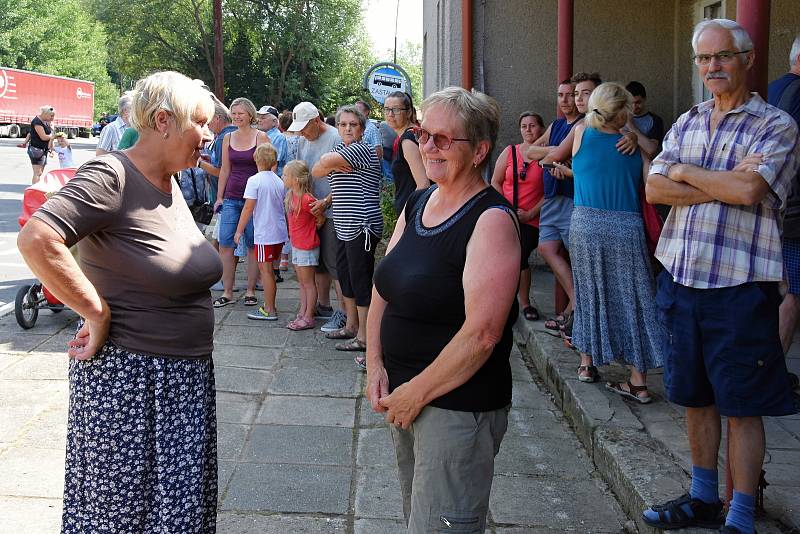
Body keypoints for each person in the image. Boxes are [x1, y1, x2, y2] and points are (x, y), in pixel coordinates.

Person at [17, 70, 220, 533]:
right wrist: (94, 309)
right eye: (201, 123)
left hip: (180, 381)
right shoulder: (112, 174)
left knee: (176, 516)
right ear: (164, 120)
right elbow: (37, 239)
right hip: (131, 384)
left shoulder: (169, 181)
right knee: (121, 517)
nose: (209, 136)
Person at [642, 19, 799, 534]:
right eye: (704, 59)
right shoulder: (687, 121)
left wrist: (686, 172)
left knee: (742, 404)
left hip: (740, 285)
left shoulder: (775, 126)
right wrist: (717, 182)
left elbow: (752, 192)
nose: (713, 67)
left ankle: (740, 514)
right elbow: (655, 190)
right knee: (694, 395)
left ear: (747, 59)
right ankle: (703, 496)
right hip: (682, 278)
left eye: (723, 56)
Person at [366, 86, 520, 533]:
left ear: (479, 152)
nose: (427, 147)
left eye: (443, 139)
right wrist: (375, 364)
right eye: (423, 134)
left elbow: (483, 334)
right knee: (419, 519)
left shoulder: (490, 220)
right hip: (403, 395)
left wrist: (416, 393)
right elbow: (384, 287)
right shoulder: (418, 202)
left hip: (455, 407)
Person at [567, 82, 664, 394]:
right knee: (635, 298)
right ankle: (638, 382)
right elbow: (653, 178)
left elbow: (551, 155)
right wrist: (633, 132)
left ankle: (587, 363)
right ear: (622, 110)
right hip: (627, 227)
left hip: (586, 224)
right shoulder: (634, 145)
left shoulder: (582, 131)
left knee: (589, 292)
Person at [312, 105, 383, 360]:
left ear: (362, 129)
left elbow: (324, 164)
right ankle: (351, 326)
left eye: (353, 124)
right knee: (346, 278)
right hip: (343, 225)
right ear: (338, 127)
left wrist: (328, 163)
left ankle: (365, 337)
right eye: (343, 124)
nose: (348, 128)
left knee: (361, 281)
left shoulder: (361, 150)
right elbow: (317, 170)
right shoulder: (341, 150)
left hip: (361, 225)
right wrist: (328, 163)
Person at [289, 101, 345, 332]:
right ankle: (323, 305)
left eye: (304, 127)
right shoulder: (304, 140)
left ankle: (343, 313)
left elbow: (344, 179)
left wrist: (325, 202)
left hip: (332, 210)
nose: (301, 132)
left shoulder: (335, 138)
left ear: (316, 121)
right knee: (318, 264)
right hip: (312, 212)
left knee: (335, 265)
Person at [213, 97, 269, 308]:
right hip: (231, 197)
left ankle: (250, 290)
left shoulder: (261, 137)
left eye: (240, 113)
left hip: (254, 199)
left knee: (253, 245)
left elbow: (269, 168)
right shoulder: (228, 138)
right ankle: (227, 291)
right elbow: (225, 170)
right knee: (226, 244)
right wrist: (220, 197)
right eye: (234, 113)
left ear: (250, 115)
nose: (237, 117)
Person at [491, 111, 546, 321]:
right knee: (502, 257)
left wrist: (531, 212)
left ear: (541, 129)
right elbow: (495, 182)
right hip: (508, 216)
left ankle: (524, 303)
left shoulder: (547, 155)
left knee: (520, 254)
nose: (528, 130)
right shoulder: (510, 152)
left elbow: (551, 192)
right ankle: (500, 300)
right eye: (524, 126)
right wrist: (505, 207)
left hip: (532, 219)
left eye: (533, 125)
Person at [234, 143, 288, 321]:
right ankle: (269, 305)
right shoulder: (278, 180)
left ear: (255, 158)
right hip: (279, 233)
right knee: (271, 271)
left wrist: (239, 230)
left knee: (266, 273)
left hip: (265, 233)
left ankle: (269, 308)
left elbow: (248, 208)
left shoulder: (254, 180)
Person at [770, 34, 800, 356]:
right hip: (792, 209)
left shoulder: (774, 88)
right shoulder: (798, 93)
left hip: (777, 203)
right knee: (792, 291)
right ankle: (775, 373)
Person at [284, 160, 325, 330]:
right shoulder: (290, 195)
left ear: (296, 179)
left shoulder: (307, 199)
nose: (283, 177)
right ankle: (303, 310)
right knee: (301, 281)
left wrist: (312, 229)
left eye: (286, 175)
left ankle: (309, 316)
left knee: (309, 282)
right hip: (297, 244)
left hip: (307, 246)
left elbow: (320, 217)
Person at [383, 91, 428, 215]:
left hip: (413, 212)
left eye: (396, 110)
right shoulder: (413, 133)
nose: (390, 114)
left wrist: (406, 214)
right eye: (387, 109)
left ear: (408, 112)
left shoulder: (408, 140)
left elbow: (423, 184)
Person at [624, 81, 664, 159]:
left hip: (645, 167)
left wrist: (630, 125)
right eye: (630, 103)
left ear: (644, 99)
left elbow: (651, 149)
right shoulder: (618, 118)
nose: (634, 106)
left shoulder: (655, 120)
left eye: (638, 102)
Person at [24, 105, 57, 183]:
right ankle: (34, 190)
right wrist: (53, 136)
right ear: (45, 114)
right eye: (51, 116)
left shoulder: (45, 121)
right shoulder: (37, 122)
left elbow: (49, 135)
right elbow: (44, 137)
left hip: (43, 150)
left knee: (40, 173)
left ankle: (36, 189)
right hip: (37, 150)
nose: (53, 118)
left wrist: (51, 148)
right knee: (37, 173)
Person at [256, 105, 288, 176]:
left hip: (271, 178)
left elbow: (274, 164)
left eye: (263, 118)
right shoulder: (258, 134)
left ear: (274, 122)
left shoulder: (279, 137)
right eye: (258, 117)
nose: (259, 120)